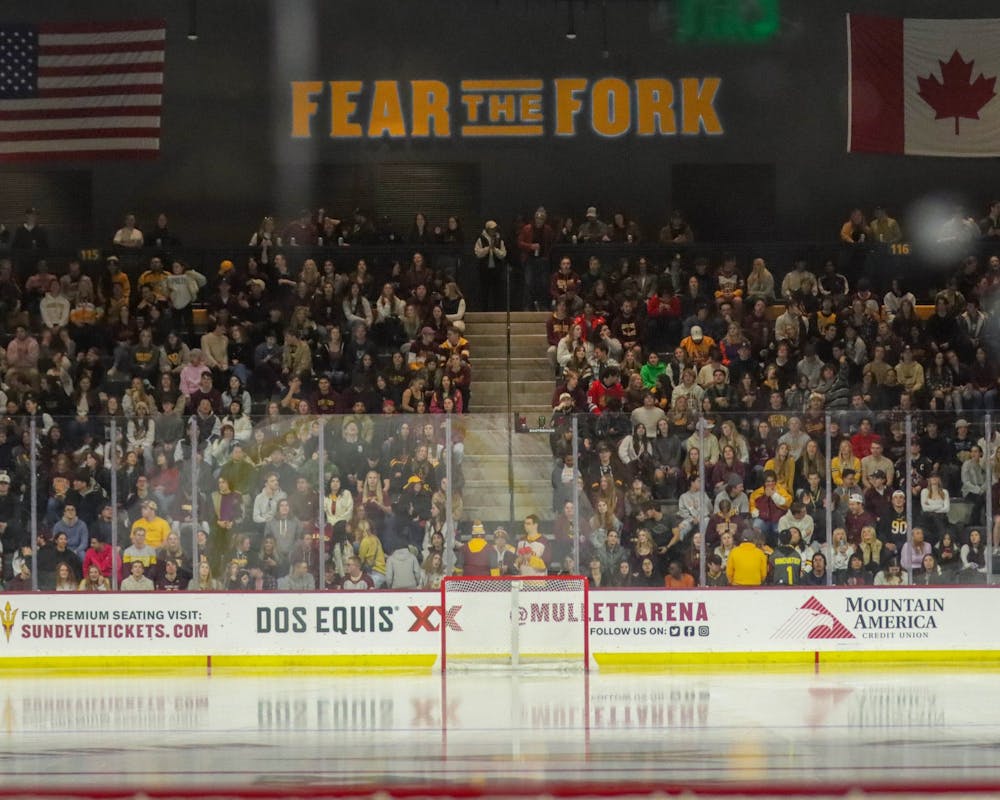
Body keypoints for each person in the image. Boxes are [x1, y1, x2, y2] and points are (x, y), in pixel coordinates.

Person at [474, 220, 507, 312]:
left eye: (495, 229)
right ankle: (484, 310)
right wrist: (488, 248)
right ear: (487, 229)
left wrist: (494, 249)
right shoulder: (481, 239)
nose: (494, 231)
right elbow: (478, 253)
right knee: (484, 291)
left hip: (496, 270)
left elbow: (503, 254)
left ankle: (497, 310)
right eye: (492, 229)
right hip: (484, 270)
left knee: (497, 291)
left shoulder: (499, 239)